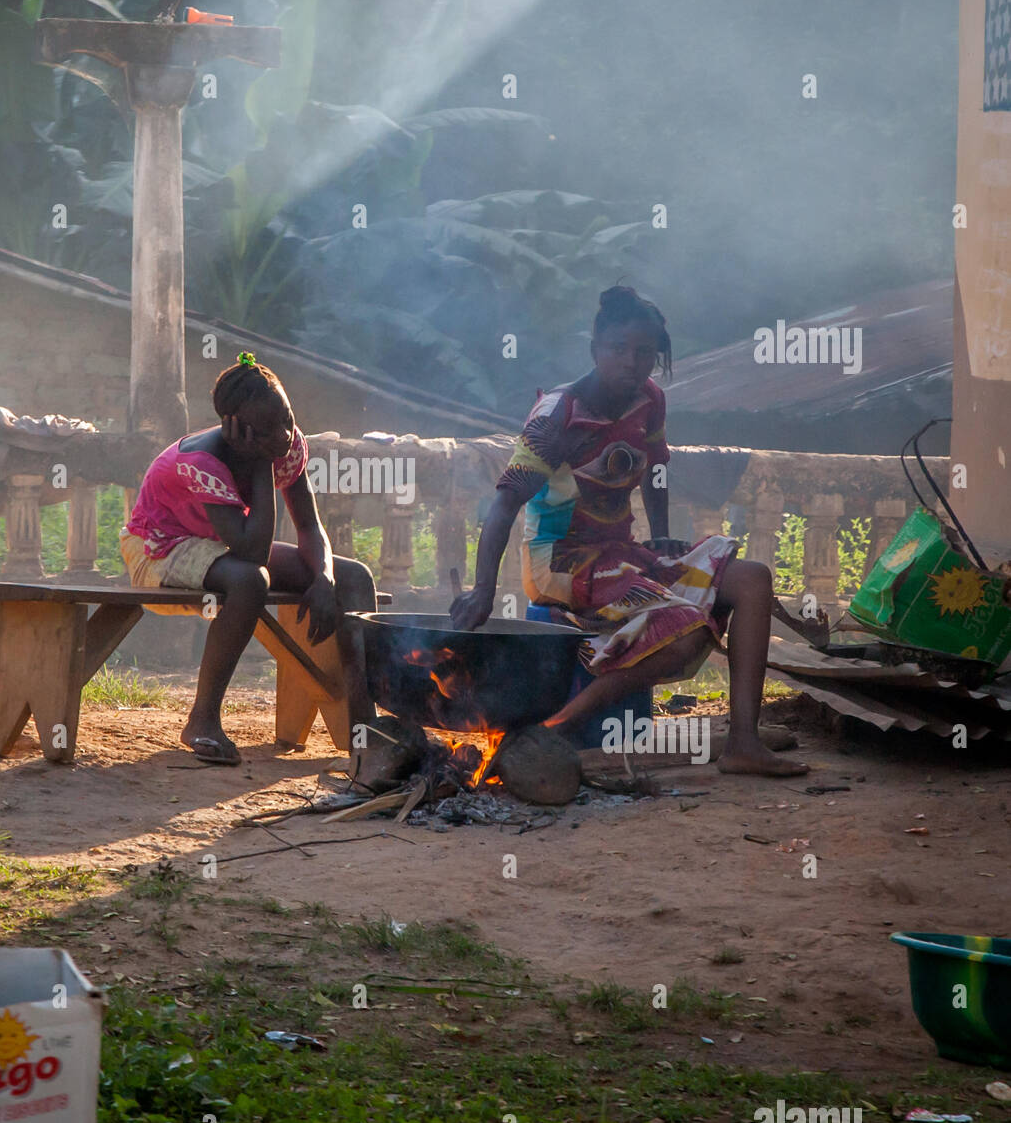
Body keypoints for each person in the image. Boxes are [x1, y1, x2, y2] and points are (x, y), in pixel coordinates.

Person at [449, 285, 808, 777]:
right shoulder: (557, 416)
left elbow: (656, 468)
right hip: (560, 562)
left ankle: (743, 741)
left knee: (751, 578)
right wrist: (483, 589)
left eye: (645, 353)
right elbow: (505, 502)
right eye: (618, 349)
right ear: (595, 347)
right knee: (681, 629)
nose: (631, 363)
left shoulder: (649, 401)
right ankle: (549, 733)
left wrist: (659, 535)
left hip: (621, 555)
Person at [120, 353, 376, 766]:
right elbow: (253, 552)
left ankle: (365, 724)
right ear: (235, 426)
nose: (286, 433)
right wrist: (261, 463)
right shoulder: (202, 462)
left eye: (288, 418)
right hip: (160, 546)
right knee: (250, 579)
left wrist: (324, 579)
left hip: (220, 543)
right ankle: (202, 719)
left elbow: (309, 526)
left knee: (354, 577)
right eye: (270, 428)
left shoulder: (286, 445)